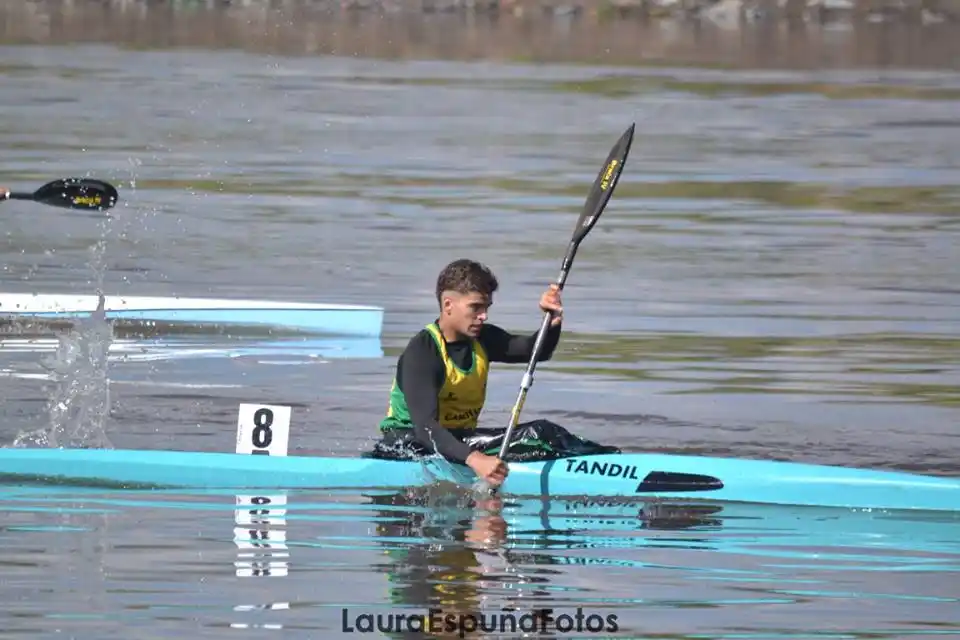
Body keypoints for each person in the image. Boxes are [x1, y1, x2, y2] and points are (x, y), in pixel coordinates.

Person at [371, 258, 618, 488]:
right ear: (448, 305)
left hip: (454, 443)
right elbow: (425, 429)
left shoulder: (483, 338)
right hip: (407, 446)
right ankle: (612, 467)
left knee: (542, 437)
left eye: (486, 307)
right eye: (475, 307)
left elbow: (537, 351)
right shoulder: (423, 352)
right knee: (538, 436)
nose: (483, 316)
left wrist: (552, 322)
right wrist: (475, 459)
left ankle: (610, 462)